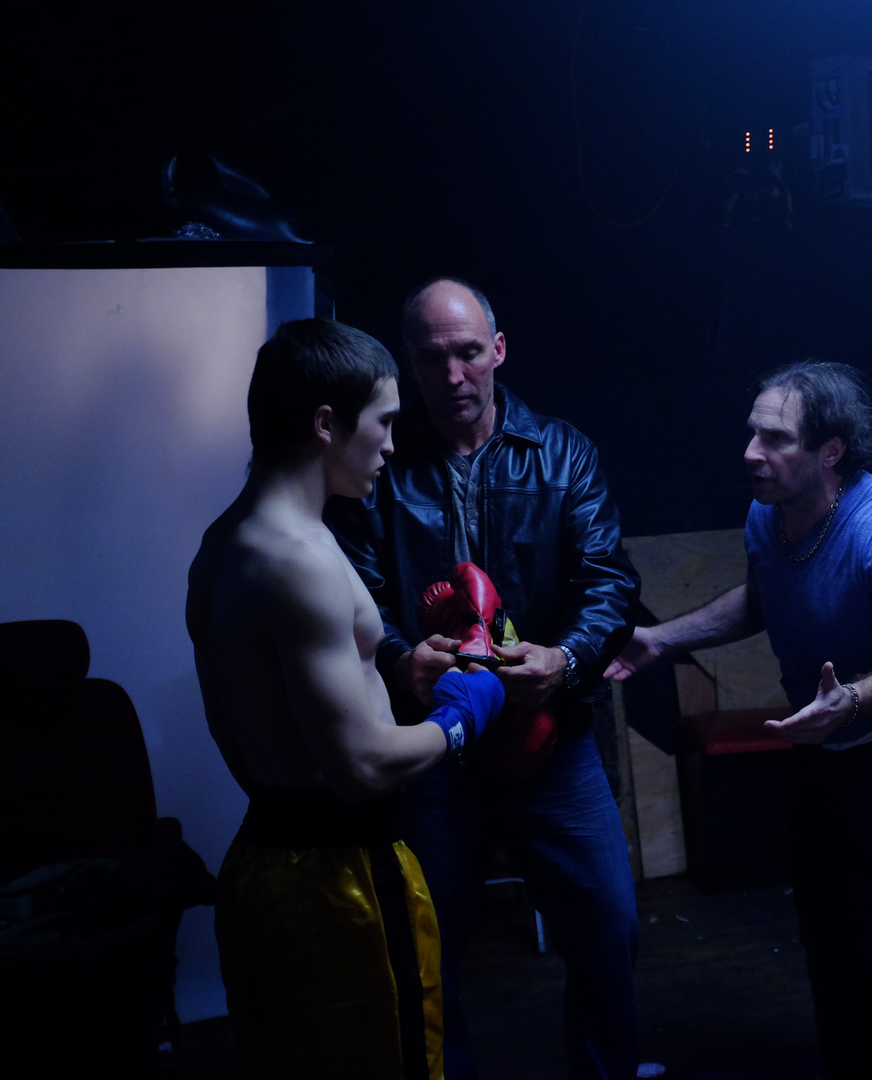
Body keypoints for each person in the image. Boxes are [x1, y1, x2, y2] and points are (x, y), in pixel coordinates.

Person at [605, 361, 872, 1080]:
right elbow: (760, 598)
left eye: (775, 438)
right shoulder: (767, 513)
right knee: (824, 927)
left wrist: (850, 702)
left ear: (831, 451)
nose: (751, 453)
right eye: (752, 433)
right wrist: (662, 639)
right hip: (824, 738)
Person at [325, 279, 641, 1080]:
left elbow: (609, 582)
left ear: (498, 350)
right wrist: (402, 660)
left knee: (610, 930)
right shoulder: (380, 462)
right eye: (432, 358)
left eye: (468, 352)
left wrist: (565, 660)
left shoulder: (563, 452)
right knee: (425, 952)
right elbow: (354, 590)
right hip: (435, 749)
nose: (453, 374)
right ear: (409, 363)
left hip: (552, 741)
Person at [187, 318, 506, 1080]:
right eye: (383, 423)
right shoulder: (297, 559)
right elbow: (360, 767)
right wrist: (465, 713)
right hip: (343, 884)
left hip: (263, 863)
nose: (392, 445)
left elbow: (232, 729)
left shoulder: (223, 543)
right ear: (327, 424)